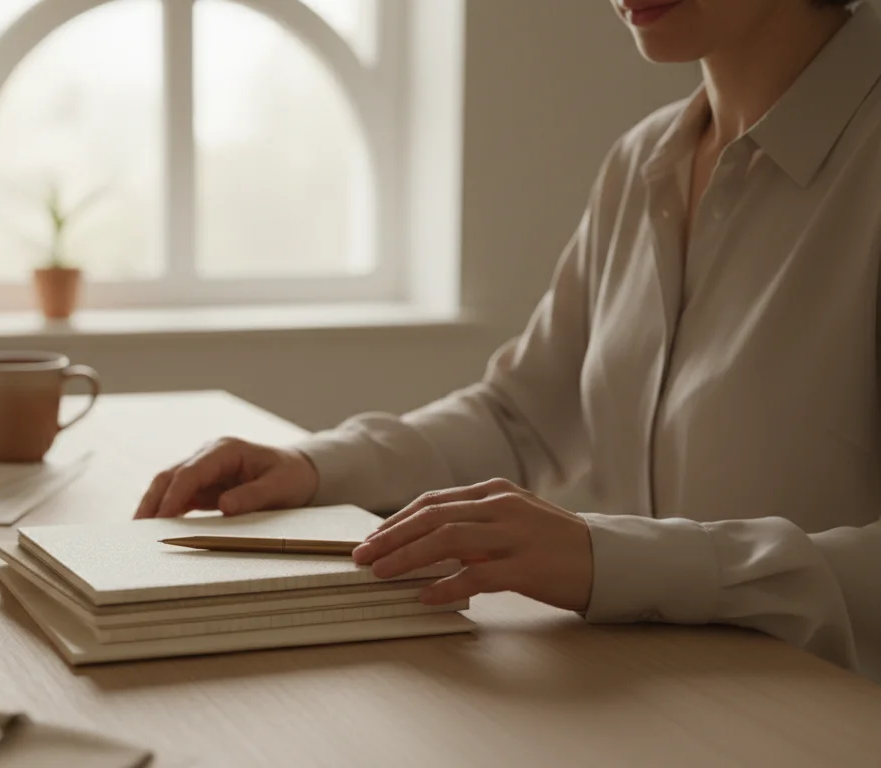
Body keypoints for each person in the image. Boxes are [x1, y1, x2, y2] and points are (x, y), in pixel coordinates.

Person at [135, 0, 881, 683]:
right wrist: (311, 466)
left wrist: (612, 559)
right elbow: (521, 416)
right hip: (663, 697)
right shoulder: (644, 160)